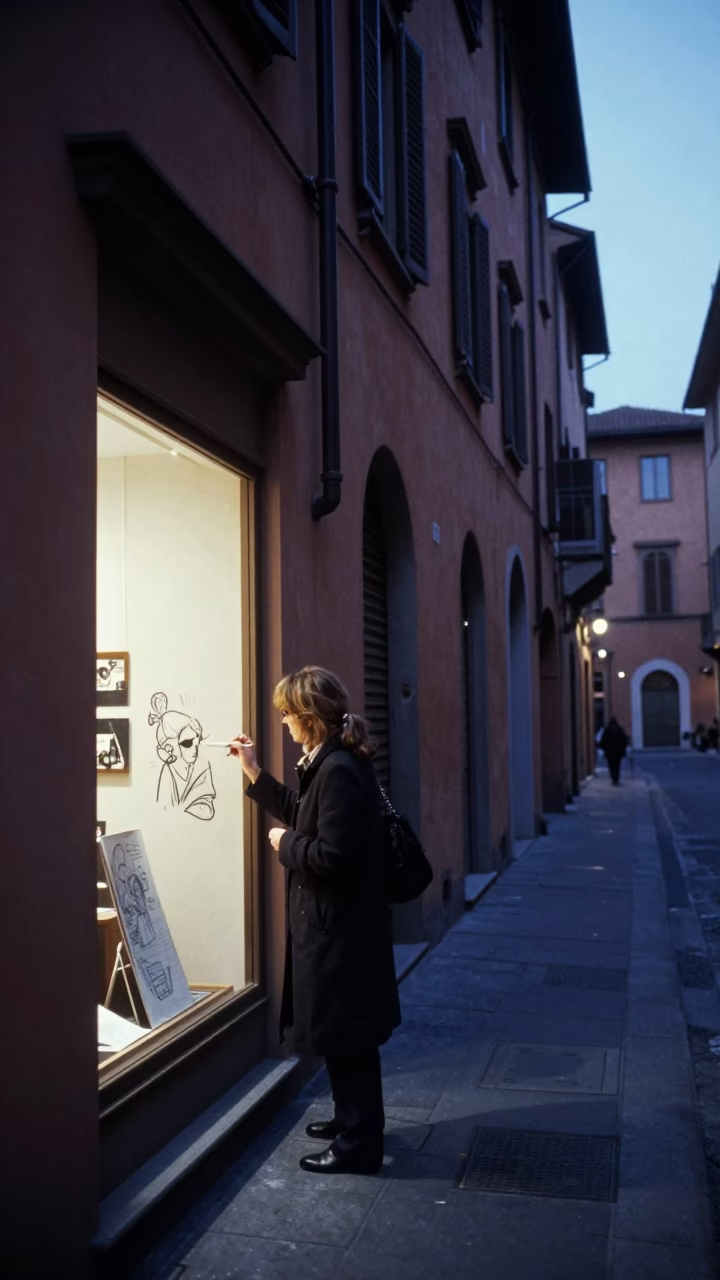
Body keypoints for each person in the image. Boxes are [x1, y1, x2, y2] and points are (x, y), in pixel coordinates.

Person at [229, 666, 400, 1176]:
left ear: (309, 717)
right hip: (338, 928)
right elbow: (304, 811)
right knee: (341, 1033)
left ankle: (357, 1144)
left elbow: (332, 856)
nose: (282, 722)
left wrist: (285, 845)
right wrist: (253, 771)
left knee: (347, 1036)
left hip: (340, 932)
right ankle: (354, 1120)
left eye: (286, 713)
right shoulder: (329, 764)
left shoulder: (339, 770)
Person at [599, 716, 629, 785]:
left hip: (610, 752)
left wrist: (605, 749)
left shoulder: (607, 730)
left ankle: (613, 778)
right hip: (618, 752)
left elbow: (603, 741)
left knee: (611, 765)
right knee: (617, 765)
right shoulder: (619, 729)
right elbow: (624, 740)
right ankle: (616, 778)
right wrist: (622, 749)